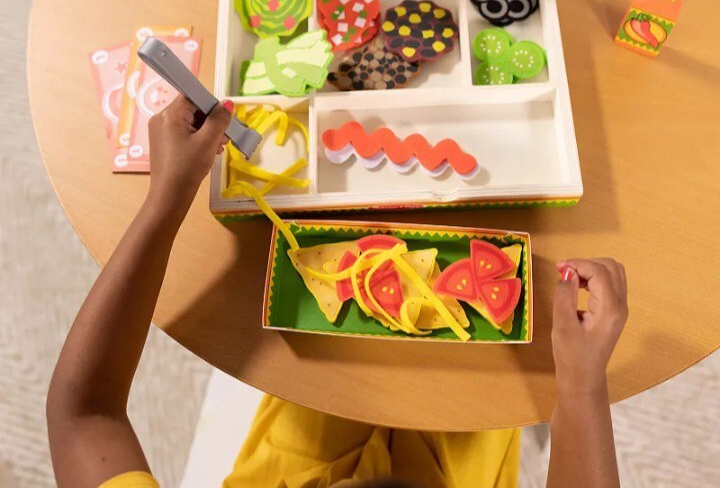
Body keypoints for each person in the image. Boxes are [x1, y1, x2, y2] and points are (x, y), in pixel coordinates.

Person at [46, 96, 628, 488]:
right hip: (453, 468)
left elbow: (83, 412)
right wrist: (581, 388)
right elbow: (82, 414)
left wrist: (166, 198)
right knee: (482, 409)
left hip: (293, 457)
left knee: (312, 389)